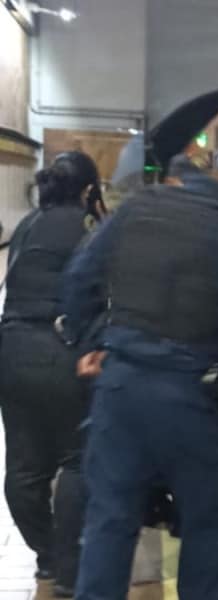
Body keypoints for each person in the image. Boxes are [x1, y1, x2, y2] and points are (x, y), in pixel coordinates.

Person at [60, 145, 218, 600]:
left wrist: (90, 341)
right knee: (206, 523)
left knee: (110, 519)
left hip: (120, 389)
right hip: (189, 397)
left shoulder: (137, 208)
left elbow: (79, 277)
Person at [0, 151, 103, 596]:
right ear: (87, 190)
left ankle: (47, 558)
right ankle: (68, 567)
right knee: (77, 460)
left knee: (24, 471)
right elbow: (102, 290)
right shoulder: (86, 226)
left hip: (10, 349)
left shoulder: (27, 225)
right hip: (59, 349)